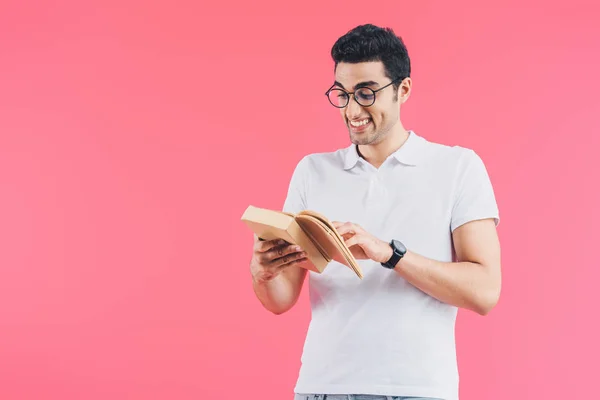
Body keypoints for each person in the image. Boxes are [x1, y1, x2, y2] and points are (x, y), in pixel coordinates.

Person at [249, 24, 501, 400]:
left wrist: (389, 254)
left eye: (366, 93)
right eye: (342, 94)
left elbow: (484, 291)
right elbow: (281, 301)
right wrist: (263, 273)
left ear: (403, 90)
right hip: (322, 389)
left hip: (418, 390)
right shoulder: (312, 171)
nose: (352, 109)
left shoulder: (457, 167)